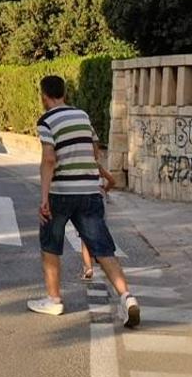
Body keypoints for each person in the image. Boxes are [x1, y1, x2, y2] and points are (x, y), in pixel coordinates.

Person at [28, 75, 140, 328]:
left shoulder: (46, 121)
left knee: (51, 244)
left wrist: (44, 197)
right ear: (64, 93)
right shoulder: (82, 116)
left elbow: (48, 159)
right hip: (90, 191)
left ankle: (54, 299)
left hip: (62, 192)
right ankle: (127, 296)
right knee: (103, 248)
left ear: (44, 95)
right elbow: (94, 150)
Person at [81, 143, 117, 280]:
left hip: (84, 197)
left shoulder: (78, 167)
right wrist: (104, 191)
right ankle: (107, 262)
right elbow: (112, 181)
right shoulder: (97, 167)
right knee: (101, 229)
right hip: (99, 197)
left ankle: (88, 268)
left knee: (84, 236)